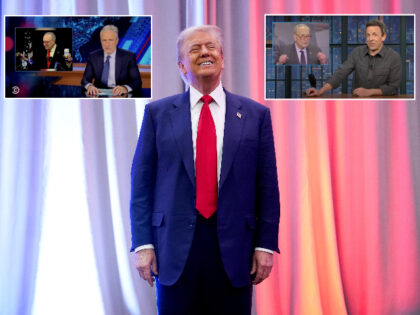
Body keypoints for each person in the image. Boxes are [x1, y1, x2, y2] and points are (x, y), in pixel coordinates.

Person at [130, 25, 280, 314]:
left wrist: (265, 245)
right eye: (194, 49)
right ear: (180, 66)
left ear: (222, 59)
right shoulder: (157, 115)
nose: (204, 52)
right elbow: (141, 185)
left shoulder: (255, 115)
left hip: (236, 248)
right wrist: (143, 244)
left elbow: (267, 187)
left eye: (211, 47)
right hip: (172, 248)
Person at [306, 19, 402, 97]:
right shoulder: (357, 52)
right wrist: (320, 91)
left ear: (383, 37)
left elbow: (393, 87)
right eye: (368, 35)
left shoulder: (394, 57)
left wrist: (370, 92)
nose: (370, 39)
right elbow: (341, 73)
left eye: (374, 35)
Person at [81, 25, 142, 96]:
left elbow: (137, 81)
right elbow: (85, 79)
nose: (107, 44)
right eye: (104, 40)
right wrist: (89, 86)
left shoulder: (128, 57)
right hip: (99, 94)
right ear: (101, 41)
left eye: (111, 40)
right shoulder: (93, 56)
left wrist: (125, 88)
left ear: (117, 41)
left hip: (120, 95)